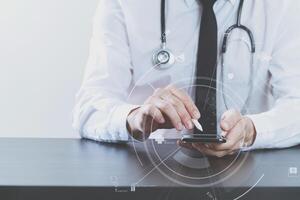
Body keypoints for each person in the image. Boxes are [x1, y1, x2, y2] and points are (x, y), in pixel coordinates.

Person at [73, 0, 300, 157]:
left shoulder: (281, 6)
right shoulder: (125, 4)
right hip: (149, 173)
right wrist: (134, 118)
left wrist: (252, 131)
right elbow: (89, 108)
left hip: (247, 176)